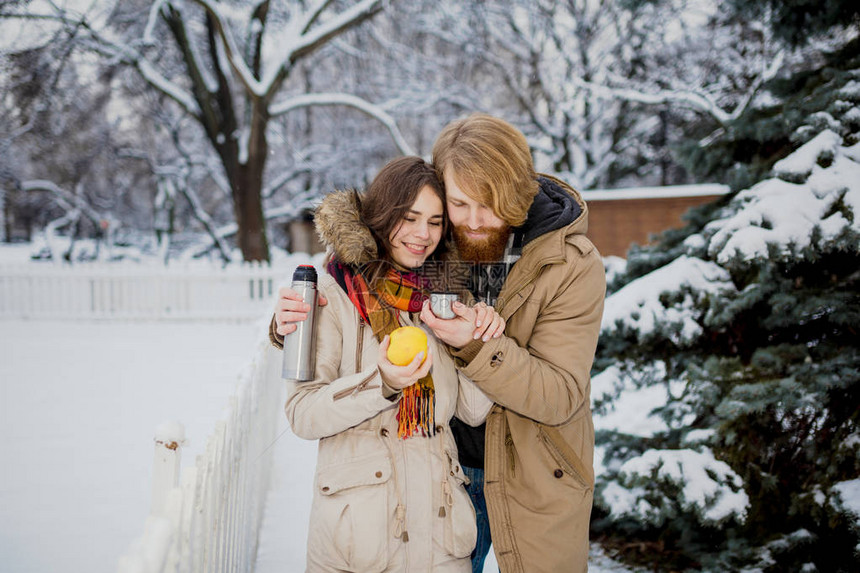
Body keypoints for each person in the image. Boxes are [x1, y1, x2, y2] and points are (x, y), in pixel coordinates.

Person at [276, 114, 605, 572]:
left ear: (515, 192)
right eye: (459, 204)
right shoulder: (427, 248)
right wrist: (291, 326)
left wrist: (475, 344)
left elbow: (560, 395)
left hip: (530, 472)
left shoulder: (569, 264)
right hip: (434, 475)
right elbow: (363, 278)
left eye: (489, 205)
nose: (470, 221)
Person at [269, 156, 504, 572]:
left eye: (434, 221)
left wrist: (476, 341)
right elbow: (302, 414)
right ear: (381, 216)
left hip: (442, 540)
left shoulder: (445, 296)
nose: (422, 234)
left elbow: (473, 409)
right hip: (361, 540)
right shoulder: (331, 292)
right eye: (409, 217)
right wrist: (383, 383)